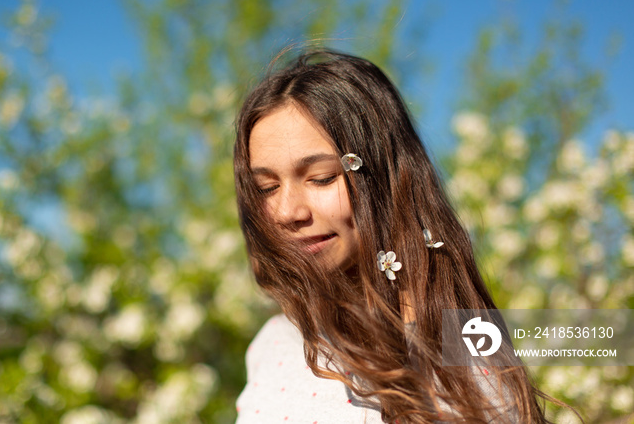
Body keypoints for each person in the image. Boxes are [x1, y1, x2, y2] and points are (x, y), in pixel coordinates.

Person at [232, 48, 556, 423]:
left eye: (321, 178)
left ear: (386, 179)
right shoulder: (274, 345)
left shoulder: (464, 349)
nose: (288, 211)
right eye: (267, 188)